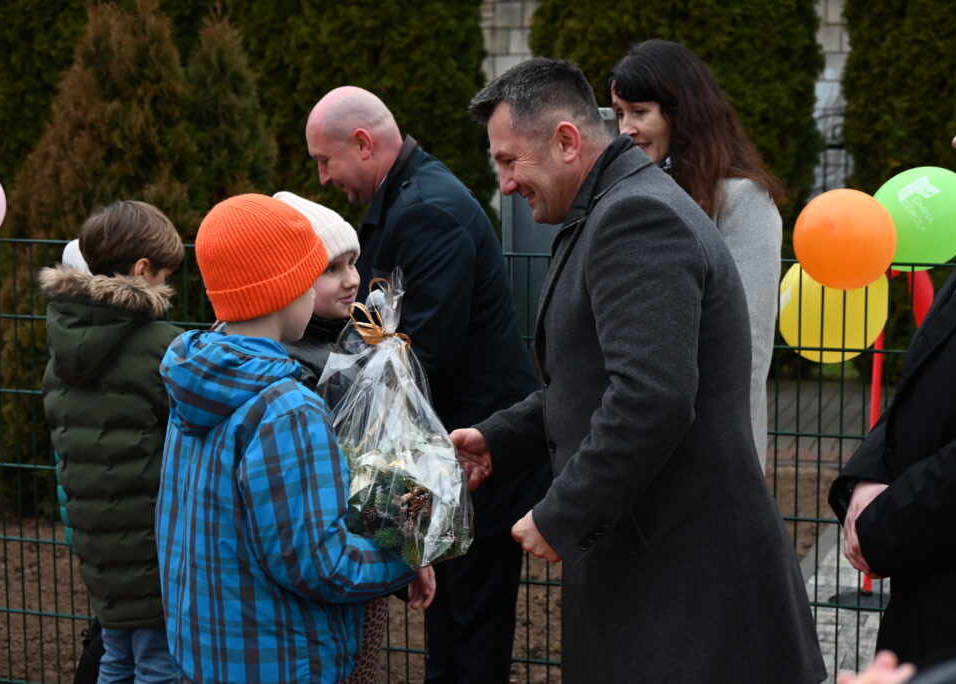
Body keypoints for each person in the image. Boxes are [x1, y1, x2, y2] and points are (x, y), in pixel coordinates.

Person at [455, 57, 825, 684]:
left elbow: (652, 396)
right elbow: (591, 379)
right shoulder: (611, 207)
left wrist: (562, 511)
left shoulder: (635, 217)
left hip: (688, 585)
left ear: (567, 142)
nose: (505, 183)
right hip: (659, 570)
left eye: (508, 160)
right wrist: (500, 438)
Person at [305, 86, 548, 683]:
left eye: (325, 161)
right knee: (454, 631)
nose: (324, 177)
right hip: (450, 463)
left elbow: (416, 359)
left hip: (475, 462)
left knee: (469, 640)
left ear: (362, 144)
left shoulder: (427, 211)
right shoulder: (412, 201)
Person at [154, 194, 433, 684]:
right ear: (287, 286)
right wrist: (410, 548)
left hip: (213, 651)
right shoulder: (287, 406)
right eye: (312, 276)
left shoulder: (196, 379)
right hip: (285, 660)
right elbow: (324, 564)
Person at [829, 52, 956, 666]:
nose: (954, 135)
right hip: (933, 587)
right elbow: (923, 380)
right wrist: (865, 481)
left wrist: (884, 524)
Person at [606, 38, 784, 470]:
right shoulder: (636, 193)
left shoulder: (743, 200)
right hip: (647, 446)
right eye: (619, 114)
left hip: (714, 453)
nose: (625, 128)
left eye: (640, 112)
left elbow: (749, 347)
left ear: (680, 113)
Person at [40, 200, 185, 684]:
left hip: (98, 547)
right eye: (165, 276)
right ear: (142, 270)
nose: (167, 288)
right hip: (155, 548)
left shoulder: (58, 357)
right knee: (158, 665)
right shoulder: (164, 348)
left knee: (116, 657)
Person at [272, 190, 387, 684]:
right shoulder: (289, 364)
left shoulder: (350, 336)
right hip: (331, 566)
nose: (352, 280)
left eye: (353, 262)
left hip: (365, 554)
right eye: (331, 269)